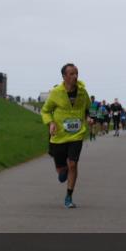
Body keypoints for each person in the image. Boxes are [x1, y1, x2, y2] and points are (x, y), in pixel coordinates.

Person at [40, 63, 90, 208]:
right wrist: (50, 123)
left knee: (73, 164)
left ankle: (69, 197)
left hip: (76, 134)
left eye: (76, 73)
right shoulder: (56, 93)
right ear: (64, 76)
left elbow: (88, 108)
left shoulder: (83, 92)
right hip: (59, 136)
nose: (75, 76)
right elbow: (45, 111)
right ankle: (63, 170)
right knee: (62, 172)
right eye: (72, 74)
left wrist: (88, 117)